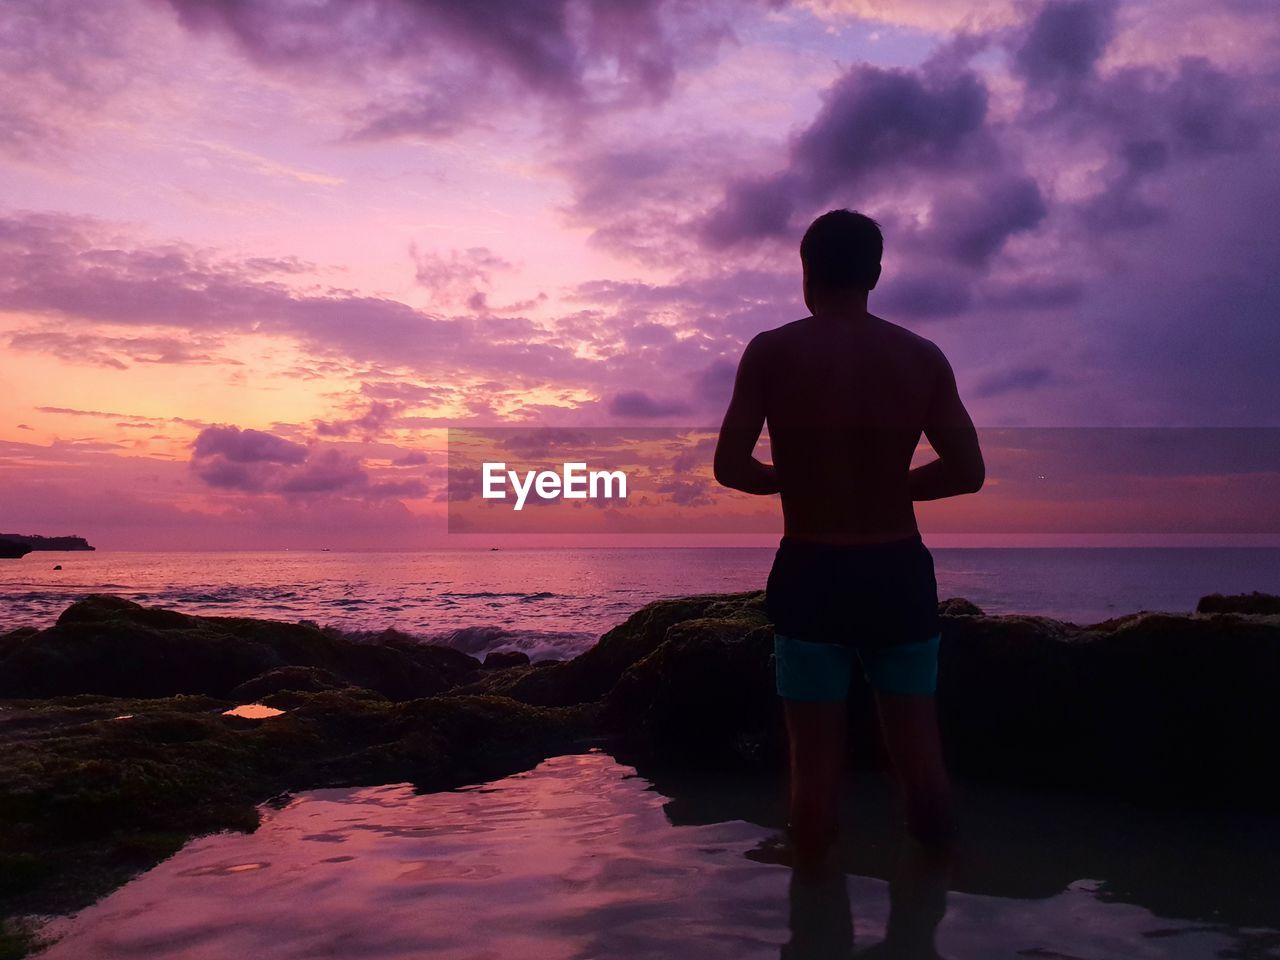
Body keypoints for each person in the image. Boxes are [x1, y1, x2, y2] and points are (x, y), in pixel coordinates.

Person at [713, 209, 984, 870]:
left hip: (812, 572)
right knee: (920, 756)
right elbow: (967, 472)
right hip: (897, 571)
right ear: (876, 275)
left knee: (813, 765)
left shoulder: (773, 351)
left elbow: (731, 467)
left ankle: (812, 909)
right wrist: (888, 485)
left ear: (806, 274)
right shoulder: (922, 357)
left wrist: (801, 478)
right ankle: (932, 901)